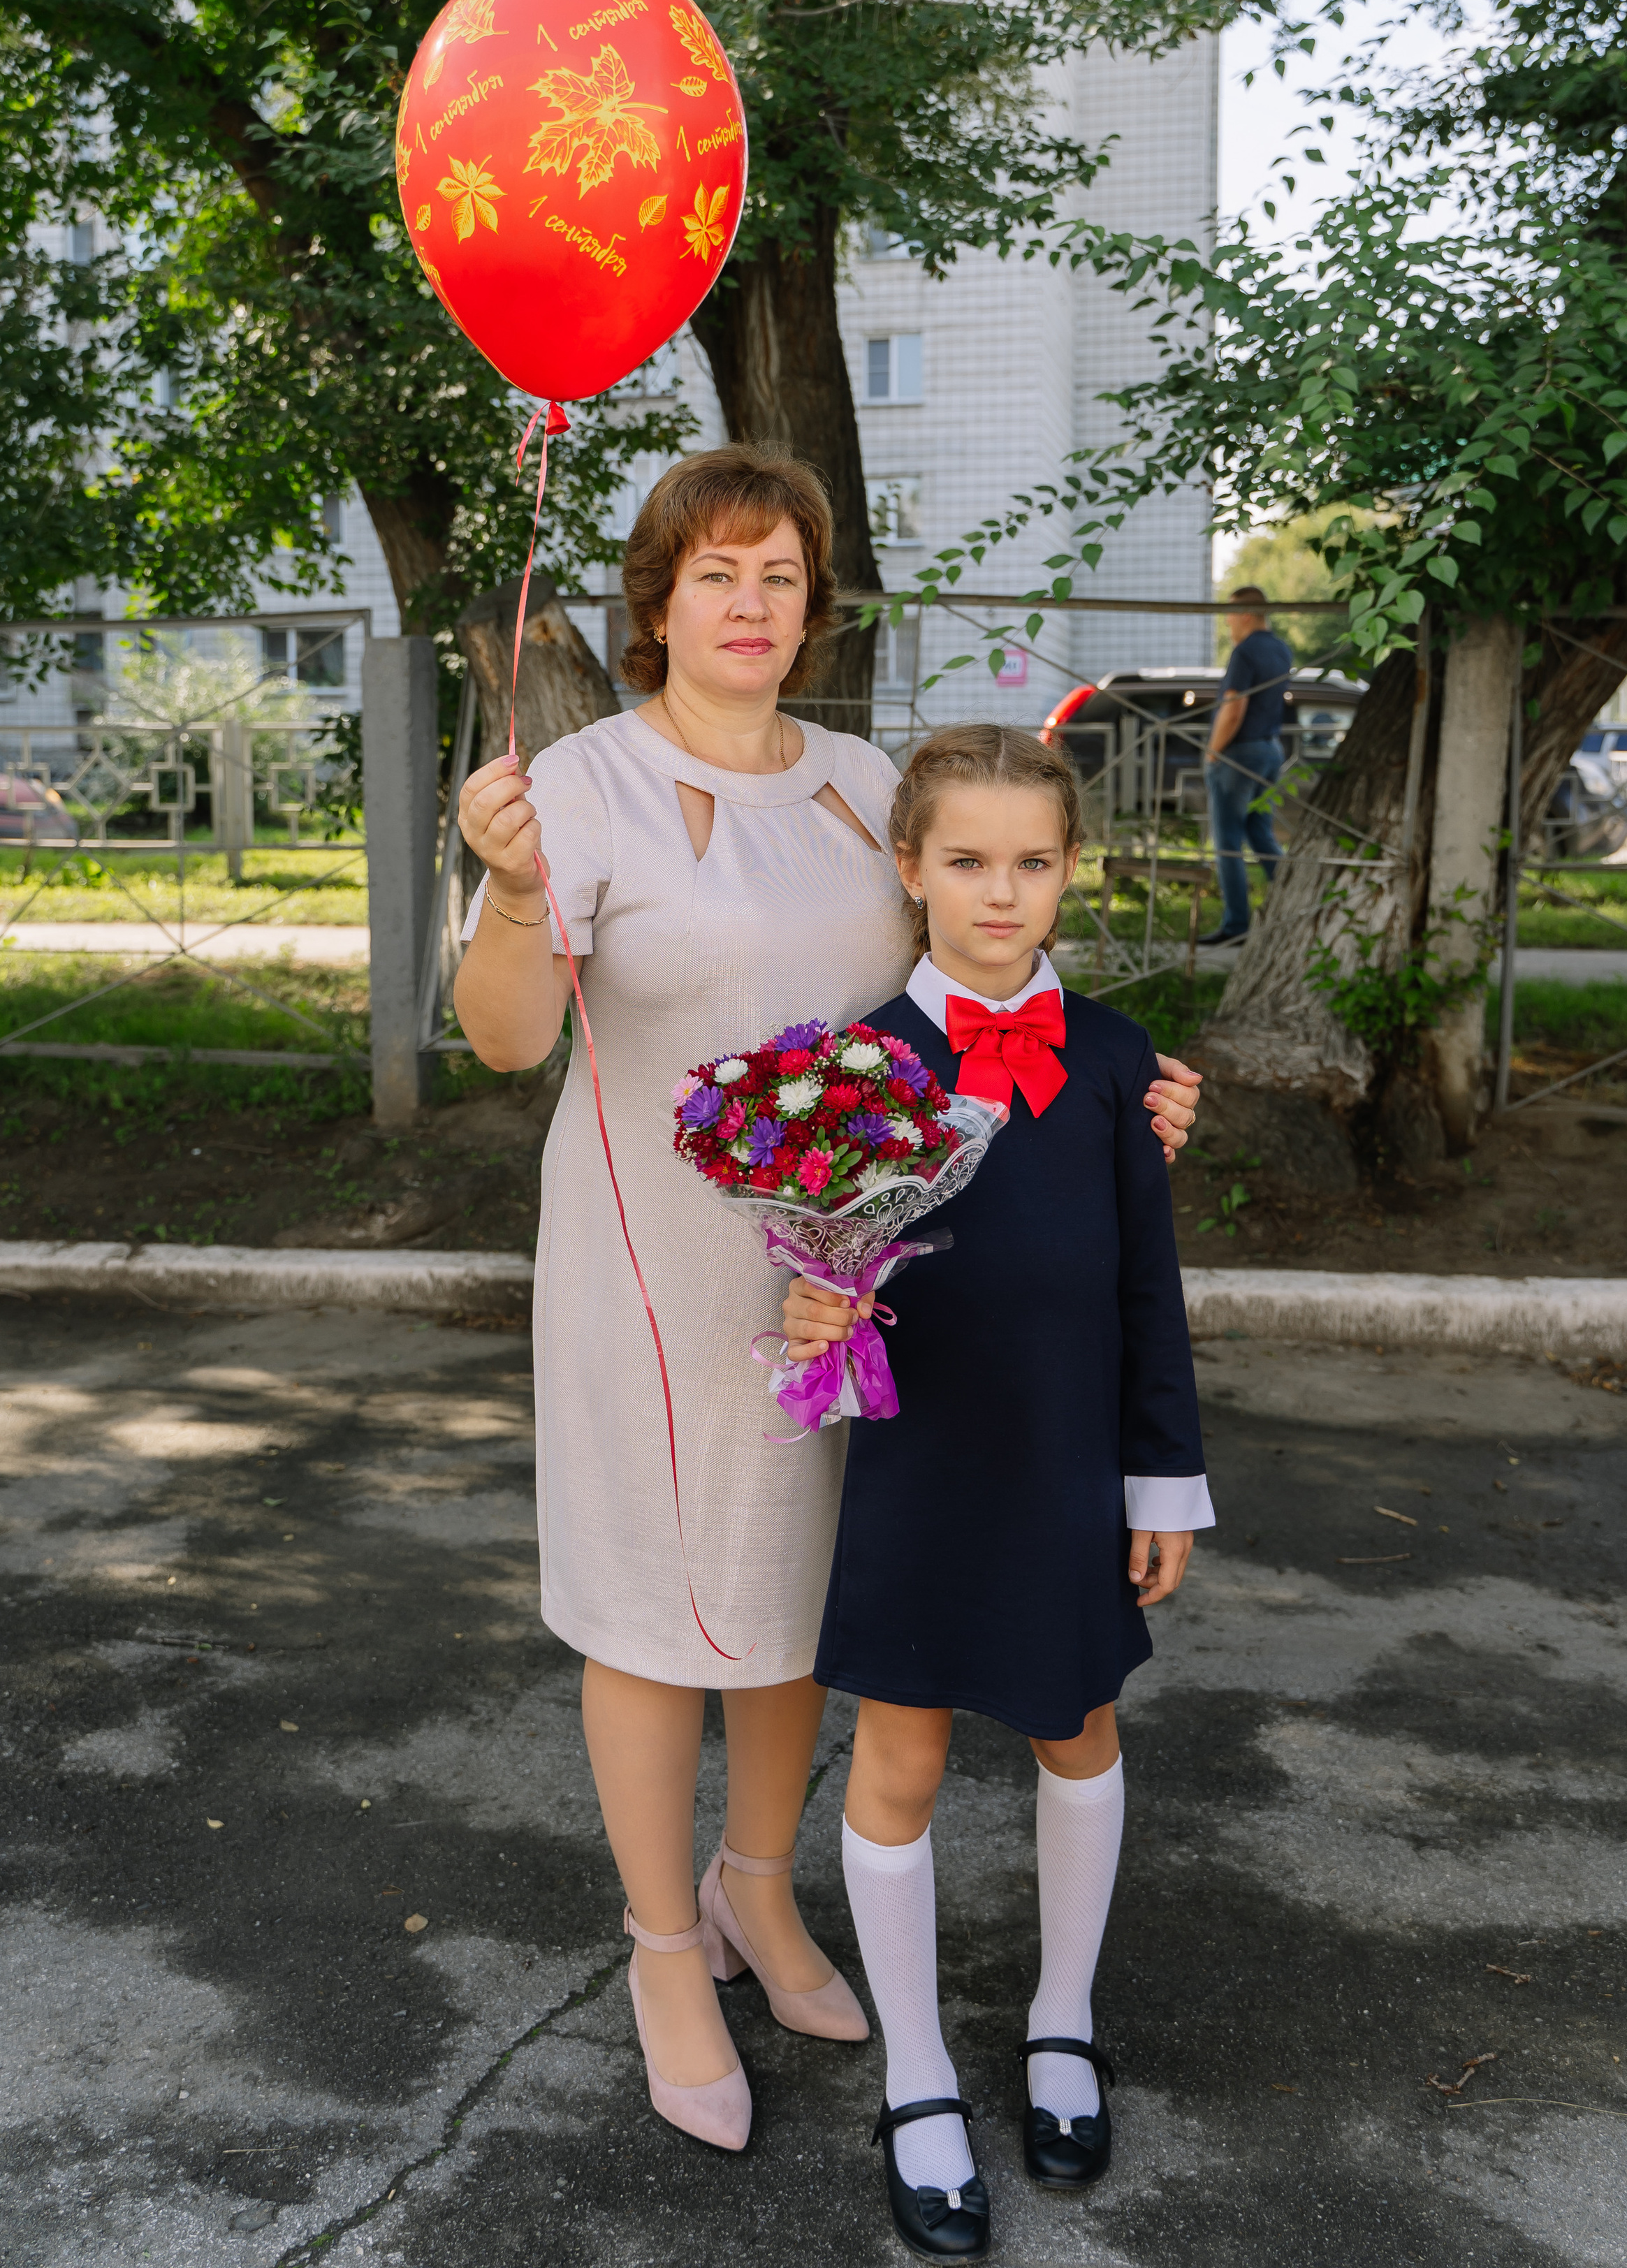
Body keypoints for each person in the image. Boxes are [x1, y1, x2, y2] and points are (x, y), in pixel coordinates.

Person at [450, 448, 1207, 2157]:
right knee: (660, 1609)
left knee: (811, 1599)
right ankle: (662, 1950)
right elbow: (504, 1035)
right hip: (654, 1273)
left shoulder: (867, 778)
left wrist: (1126, 1085)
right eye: (716, 572)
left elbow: (976, 963)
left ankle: (756, 1887)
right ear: (657, 600)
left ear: (811, 604)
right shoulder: (569, 785)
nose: (749, 604)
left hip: (868, 1288)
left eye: (779, 575)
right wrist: (507, 890)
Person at [780, 724, 1212, 2255]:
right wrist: (807, 1314)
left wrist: (1160, 1483)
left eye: (1032, 864)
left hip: (1067, 1469)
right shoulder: (851, 1065)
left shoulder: (1113, 1059)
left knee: (1074, 1730)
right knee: (894, 1760)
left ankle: (1058, 2021)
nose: (999, 892)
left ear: (1067, 874)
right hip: (921, 1466)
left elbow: (1145, 1292)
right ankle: (913, 2074)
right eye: (965, 861)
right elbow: (811, 1268)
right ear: (908, 868)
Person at [1201, 585, 1294, 947]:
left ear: (1244, 613)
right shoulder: (1281, 649)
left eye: (1229, 614)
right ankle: (1296, 900)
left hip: (1237, 753)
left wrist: (1212, 751)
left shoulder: (1246, 651)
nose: (1227, 623)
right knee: (1261, 834)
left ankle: (1237, 925)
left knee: (1227, 843)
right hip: (1270, 749)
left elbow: (1234, 706)